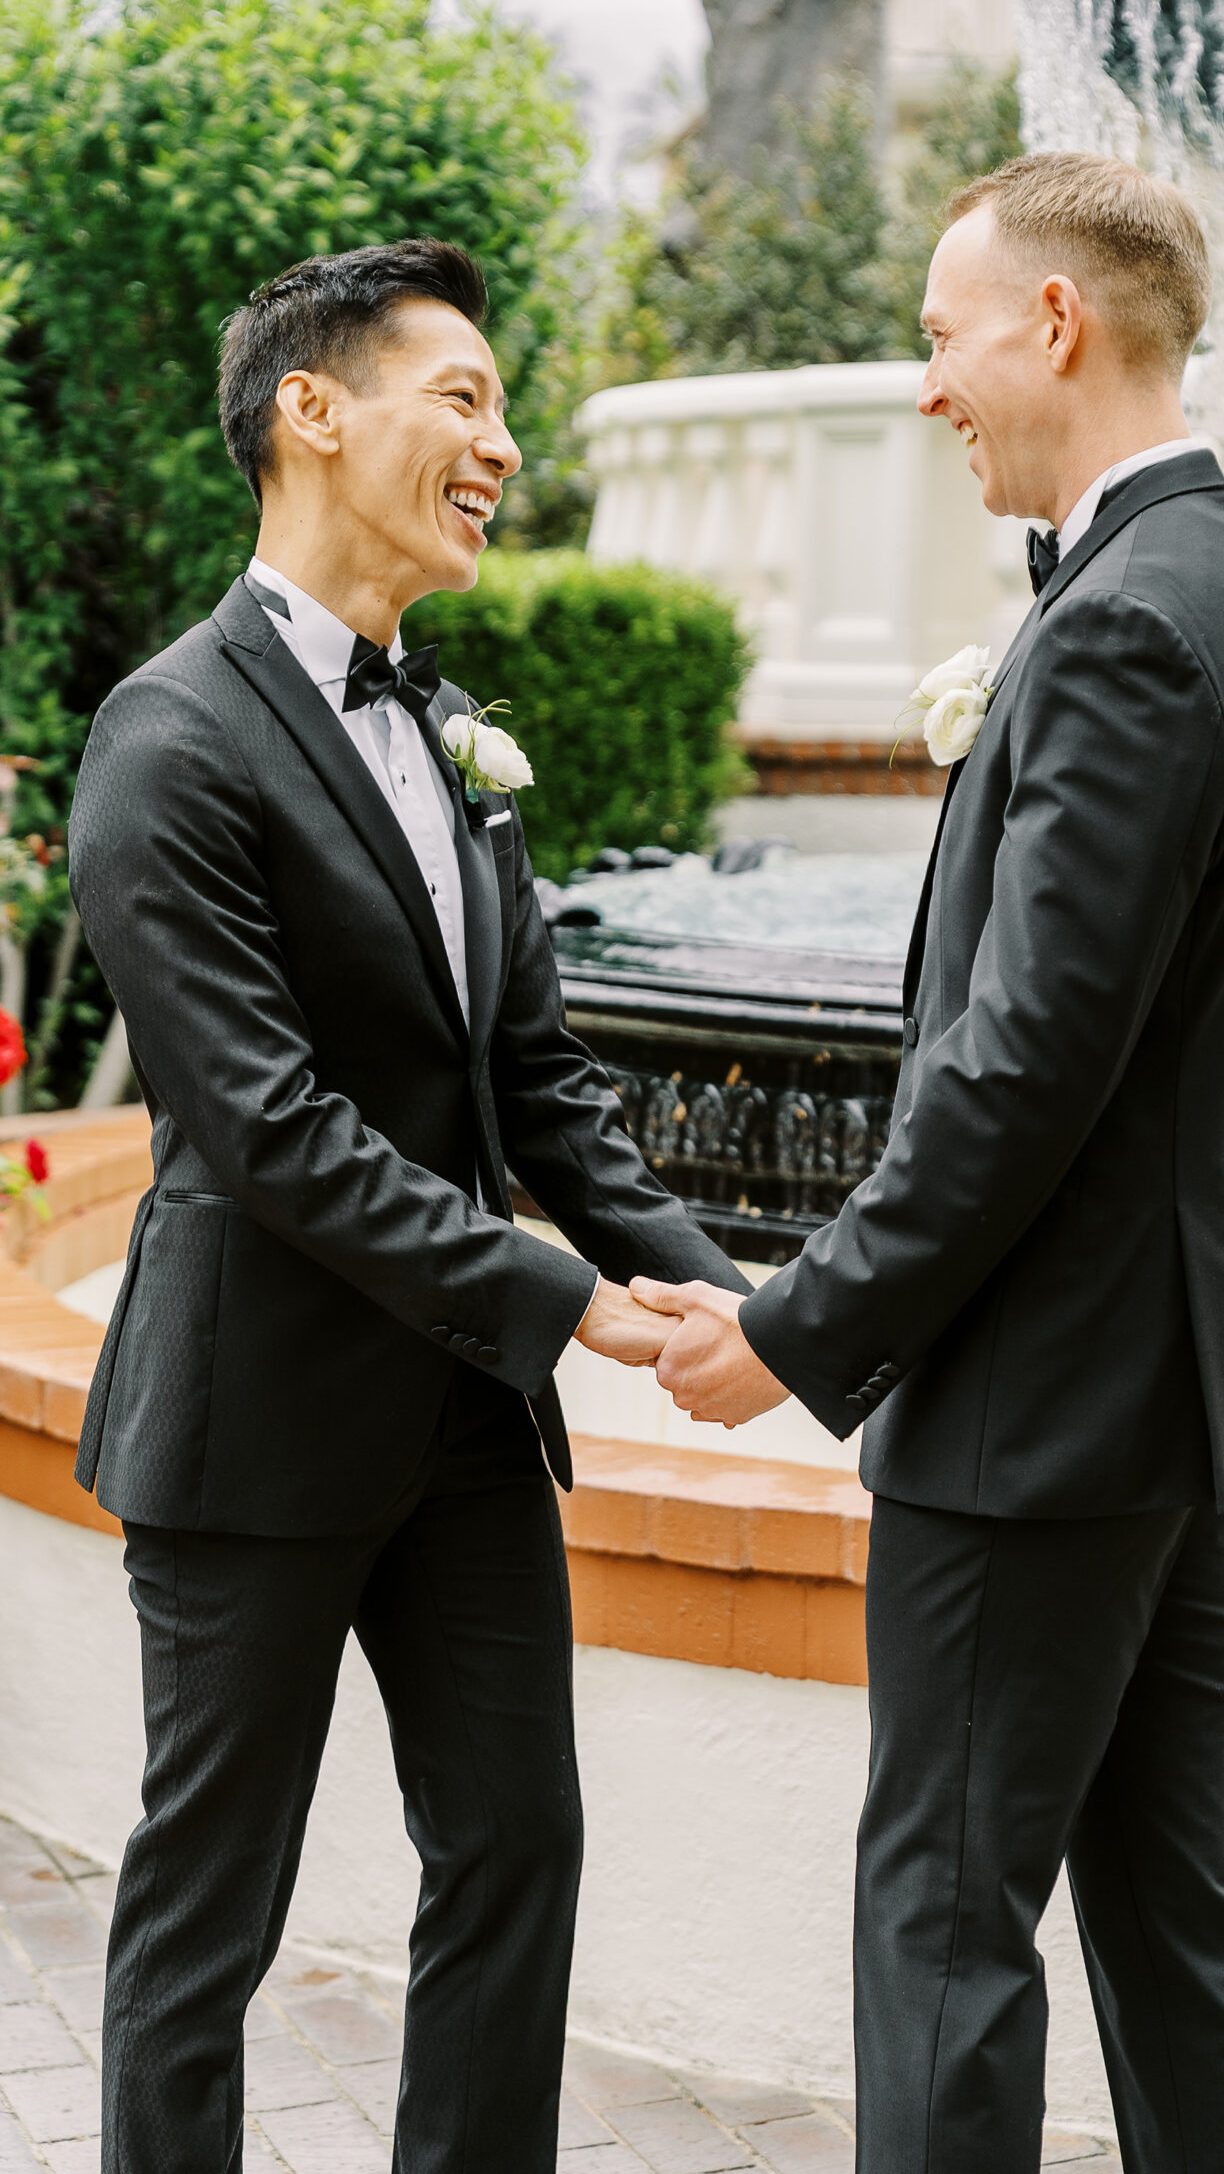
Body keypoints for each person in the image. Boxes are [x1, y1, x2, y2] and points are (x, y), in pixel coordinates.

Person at [633, 153, 1224, 2173]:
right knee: (1176, 1914)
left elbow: (1022, 1064)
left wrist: (793, 1322)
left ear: (1051, 324)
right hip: (1168, 1396)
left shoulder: (1123, 627)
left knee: (941, 1925)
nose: (928, 380)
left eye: (943, 332)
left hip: (1035, 1416)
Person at [67, 238, 749, 2174]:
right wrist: (554, 1298)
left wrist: (758, 1302)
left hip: (458, 1426)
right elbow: (270, 1127)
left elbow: (538, 1089)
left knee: (518, 1846)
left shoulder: (451, 738)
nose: (500, 444)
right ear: (312, 409)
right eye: (462, 397)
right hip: (257, 1419)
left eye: (503, 411)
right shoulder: (167, 739)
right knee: (208, 1919)